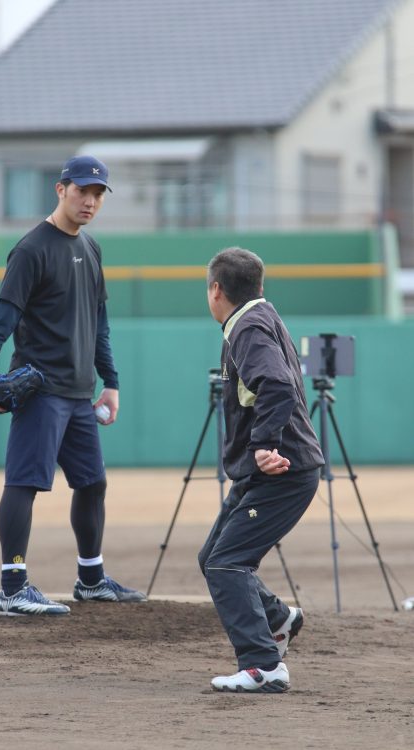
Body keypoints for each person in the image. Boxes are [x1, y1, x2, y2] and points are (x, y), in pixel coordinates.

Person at [0, 155, 146, 616]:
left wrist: (111, 382)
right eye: (82, 190)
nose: (90, 200)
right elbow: (2, 316)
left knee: (92, 484)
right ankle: (12, 586)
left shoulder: (91, 249)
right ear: (60, 189)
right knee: (25, 482)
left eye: (98, 193)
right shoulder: (32, 249)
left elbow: (99, 324)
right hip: (42, 389)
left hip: (79, 392)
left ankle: (90, 579)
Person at [199, 247, 324, 693]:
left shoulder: (248, 327)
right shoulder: (260, 316)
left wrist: (265, 444)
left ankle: (263, 665)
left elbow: (278, 384)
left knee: (228, 563)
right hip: (268, 472)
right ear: (260, 286)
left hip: (281, 472)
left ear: (216, 289)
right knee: (212, 555)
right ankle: (279, 619)